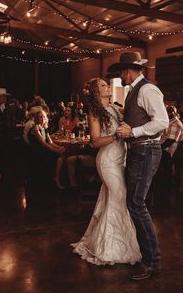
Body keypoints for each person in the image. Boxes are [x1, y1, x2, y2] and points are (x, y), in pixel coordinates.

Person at [108, 51, 169, 280]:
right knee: (134, 203)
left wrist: (132, 131)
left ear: (129, 70)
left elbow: (162, 122)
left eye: (122, 71)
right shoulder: (134, 90)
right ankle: (149, 258)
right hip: (138, 150)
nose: (121, 75)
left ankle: (152, 262)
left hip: (146, 150)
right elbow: (142, 117)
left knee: (136, 204)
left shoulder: (147, 89)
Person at [71, 77, 141, 265]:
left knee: (113, 200)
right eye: (102, 85)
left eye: (106, 84)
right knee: (120, 197)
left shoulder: (114, 109)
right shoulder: (94, 112)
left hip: (121, 159)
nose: (107, 86)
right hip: (108, 161)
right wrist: (117, 135)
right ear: (95, 92)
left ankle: (118, 242)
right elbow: (95, 141)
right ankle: (110, 247)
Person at [28, 109, 65, 189]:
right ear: (37, 119)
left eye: (44, 117)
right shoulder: (35, 128)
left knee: (63, 153)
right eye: (40, 117)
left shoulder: (44, 128)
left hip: (44, 150)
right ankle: (56, 179)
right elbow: (43, 144)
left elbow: (50, 142)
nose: (43, 119)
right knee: (60, 158)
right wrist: (56, 150)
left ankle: (60, 178)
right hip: (38, 152)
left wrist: (60, 147)